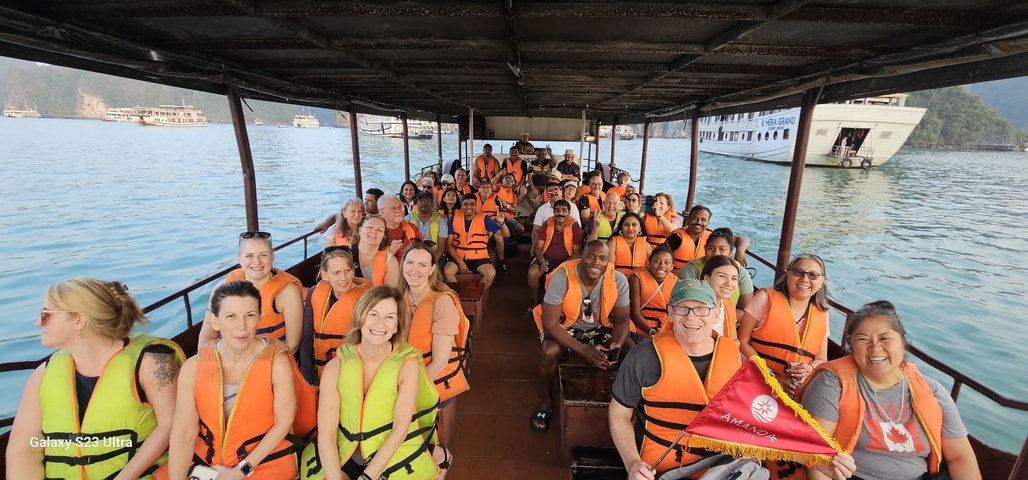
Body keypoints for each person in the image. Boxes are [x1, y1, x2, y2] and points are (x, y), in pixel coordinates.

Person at [7, 278, 183, 480]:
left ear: (78, 320)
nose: (38, 322)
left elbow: (170, 426)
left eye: (46, 315)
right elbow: (24, 450)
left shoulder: (152, 363)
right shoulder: (43, 373)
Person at [799, 301, 980, 480]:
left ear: (902, 341)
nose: (875, 347)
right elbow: (817, 457)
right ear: (851, 346)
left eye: (885, 338)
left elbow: (960, 457)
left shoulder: (932, 391)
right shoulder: (831, 385)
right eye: (862, 339)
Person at [171, 280, 315, 480]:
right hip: (208, 461)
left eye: (250, 315)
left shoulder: (276, 363)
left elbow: (283, 422)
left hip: (263, 461)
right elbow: (184, 432)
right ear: (215, 321)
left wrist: (238, 472)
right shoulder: (193, 367)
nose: (242, 326)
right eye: (231, 316)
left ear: (260, 318)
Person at [303, 285, 449, 480]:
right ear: (360, 318)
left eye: (390, 317)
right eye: (374, 314)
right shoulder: (335, 367)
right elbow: (327, 436)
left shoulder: (408, 364)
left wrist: (367, 478)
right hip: (347, 453)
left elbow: (400, 429)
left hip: (391, 453)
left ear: (397, 325)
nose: (381, 324)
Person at [609, 279, 744, 480]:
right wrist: (632, 462)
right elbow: (619, 413)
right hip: (655, 471)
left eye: (701, 309)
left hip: (718, 470)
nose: (691, 317)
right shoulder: (643, 357)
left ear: (716, 313)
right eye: (682, 308)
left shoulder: (738, 362)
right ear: (671, 312)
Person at [530, 240, 630, 433]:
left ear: (608, 261)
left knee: (630, 352)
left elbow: (623, 321)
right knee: (548, 352)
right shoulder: (562, 277)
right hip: (567, 326)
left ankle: (624, 407)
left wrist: (616, 345)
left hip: (600, 328)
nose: (595, 262)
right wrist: (585, 351)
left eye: (602, 258)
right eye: (591, 256)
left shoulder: (618, 280)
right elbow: (549, 325)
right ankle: (546, 402)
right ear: (582, 256)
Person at [397, 243, 471, 446]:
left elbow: (439, 362)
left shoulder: (442, 302)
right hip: (404, 373)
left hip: (434, 380)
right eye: (410, 262)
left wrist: (406, 393)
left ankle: (435, 458)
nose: (414, 270)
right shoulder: (398, 297)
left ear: (432, 270)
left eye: (422, 265)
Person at [739, 253, 830, 394]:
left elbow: (822, 359)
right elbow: (742, 342)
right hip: (757, 380)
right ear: (788, 275)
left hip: (798, 389)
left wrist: (810, 369)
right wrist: (770, 376)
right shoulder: (765, 298)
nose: (805, 279)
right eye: (798, 272)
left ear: (821, 281)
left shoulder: (822, 312)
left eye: (813, 275)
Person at [199, 232, 304, 352]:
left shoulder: (287, 292)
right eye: (249, 256)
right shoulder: (222, 288)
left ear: (272, 257)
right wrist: (207, 363)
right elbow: (207, 335)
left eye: (263, 255)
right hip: (230, 360)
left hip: (272, 361)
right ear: (239, 259)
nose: (257, 262)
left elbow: (293, 344)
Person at [300, 247, 371, 385]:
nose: (343, 278)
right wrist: (309, 382)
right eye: (336, 273)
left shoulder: (366, 298)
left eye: (347, 271)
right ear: (325, 275)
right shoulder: (314, 293)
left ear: (353, 270)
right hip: (318, 373)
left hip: (351, 374)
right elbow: (306, 340)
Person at [526, 200, 584, 314]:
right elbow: (538, 247)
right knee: (532, 274)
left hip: (567, 262)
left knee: (558, 278)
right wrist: (542, 261)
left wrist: (560, 267)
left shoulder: (575, 225)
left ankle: (560, 308)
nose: (560, 213)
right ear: (553, 212)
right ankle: (536, 302)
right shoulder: (547, 223)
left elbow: (577, 252)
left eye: (564, 210)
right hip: (546, 258)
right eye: (557, 210)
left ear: (569, 212)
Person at [677, 228, 754, 309]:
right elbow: (685, 302)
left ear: (730, 252)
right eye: (711, 248)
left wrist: (740, 250)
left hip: (731, 318)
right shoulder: (693, 269)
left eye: (722, 249)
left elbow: (745, 311)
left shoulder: (740, 272)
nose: (716, 252)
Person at [444, 193, 508, 290]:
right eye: (466, 204)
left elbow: (506, 234)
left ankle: (475, 294)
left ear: (476, 205)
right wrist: (460, 261)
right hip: (459, 255)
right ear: (461, 205)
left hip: (479, 257)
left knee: (490, 272)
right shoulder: (454, 218)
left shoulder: (484, 218)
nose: (469, 207)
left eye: (472, 204)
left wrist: (502, 223)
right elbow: (448, 245)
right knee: (448, 271)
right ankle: (457, 297)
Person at [628, 247, 678, 339]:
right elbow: (635, 313)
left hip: (664, 331)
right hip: (640, 331)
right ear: (649, 264)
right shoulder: (637, 278)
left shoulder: (675, 282)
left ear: (672, 267)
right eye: (657, 261)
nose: (662, 265)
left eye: (667, 262)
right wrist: (651, 332)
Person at [699, 255, 741, 340]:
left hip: (724, 350)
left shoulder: (728, 304)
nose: (729, 283)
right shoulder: (694, 308)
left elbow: (733, 340)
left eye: (734, 278)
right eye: (722, 276)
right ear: (707, 278)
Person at [665, 205, 711, 271]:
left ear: (708, 223)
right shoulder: (675, 238)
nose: (699, 222)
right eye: (695, 218)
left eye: (703, 220)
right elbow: (661, 257)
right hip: (676, 279)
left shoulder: (711, 239)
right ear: (689, 219)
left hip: (701, 280)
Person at [379, 194, 424, 262]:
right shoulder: (376, 232)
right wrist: (389, 253)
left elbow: (422, 251)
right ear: (383, 212)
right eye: (393, 208)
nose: (398, 211)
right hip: (388, 270)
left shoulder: (412, 228)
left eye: (399, 207)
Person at [407, 191, 448, 262]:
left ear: (432, 202)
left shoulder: (440, 220)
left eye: (427, 201)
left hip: (434, 254)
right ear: (416, 203)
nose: (424, 203)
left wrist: (431, 263)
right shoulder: (409, 218)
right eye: (421, 201)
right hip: (414, 255)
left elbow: (441, 248)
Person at [607, 212, 651, 276]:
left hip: (640, 281)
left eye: (634, 225)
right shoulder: (612, 243)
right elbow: (609, 270)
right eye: (626, 224)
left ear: (640, 228)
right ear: (622, 227)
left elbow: (650, 269)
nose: (630, 228)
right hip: (618, 281)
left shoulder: (647, 246)